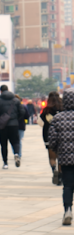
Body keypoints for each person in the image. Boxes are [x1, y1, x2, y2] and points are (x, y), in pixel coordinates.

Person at [48, 88, 74, 225]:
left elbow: (52, 141)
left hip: (66, 159)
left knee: (68, 186)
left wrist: (58, 151)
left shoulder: (57, 118)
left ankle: (68, 210)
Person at [0, 85, 25, 169]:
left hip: (3, 126)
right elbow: (22, 112)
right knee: (16, 141)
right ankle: (16, 154)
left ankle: (5, 163)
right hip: (14, 124)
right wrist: (16, 119)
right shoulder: (16, 100)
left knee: (3, 144)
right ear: (8, 90)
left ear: (1, 91)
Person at [41, 91, 63, 185]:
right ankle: (60, 175)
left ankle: (54, 169)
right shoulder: (63, 108)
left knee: (52, 157)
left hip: (48, 135)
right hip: (62, 135)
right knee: (61, 157)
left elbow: (41, 120)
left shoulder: (46, 110)